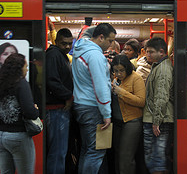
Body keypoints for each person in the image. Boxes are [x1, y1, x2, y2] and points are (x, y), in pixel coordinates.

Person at [72, 23, 116, 174]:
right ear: (101, 37)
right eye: (110, 41)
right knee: (96, 151)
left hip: (80, 104)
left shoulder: (80, 51)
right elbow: (101, 86)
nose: (111, 45)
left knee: (87, 149)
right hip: (93, 107)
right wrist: (106, 114)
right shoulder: (95, 55)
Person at [0, 53, 39, 174]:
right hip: (19, 135)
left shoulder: (1, 83)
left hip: (1, 136)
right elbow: (30, 112)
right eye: (26, 66)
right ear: (19, 68)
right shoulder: (21, 83)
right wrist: (36, 109)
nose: (27, 70)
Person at [143, 37, 174, 174]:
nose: (147, 55)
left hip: (158, 120)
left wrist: (156, 122)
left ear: (161, 52)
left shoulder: (162, 70)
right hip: (156, 118)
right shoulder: (158, 66)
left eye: (150, 52)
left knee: (156, 158)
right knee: (155, 157)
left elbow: (161, 97)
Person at [111, 54, 146, 174]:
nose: (119, 73)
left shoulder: (136, 78)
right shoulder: (116, 80)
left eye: (121, 70)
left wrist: (121, 92)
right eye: (116, 71)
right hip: (117, 122)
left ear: (127, 68)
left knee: (126, 157)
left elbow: (141, 101)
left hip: (132, 122)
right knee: (117, 155)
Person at [45, 28, 73, 174]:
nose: (67, 46)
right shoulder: (54, 55)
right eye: (64, 43)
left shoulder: (60, 55)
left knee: (59, 151)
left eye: (70, 43)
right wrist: (68, 96)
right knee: (57, 152)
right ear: (56, 42)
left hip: (58, 108)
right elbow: (52, 81)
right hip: (56, 109)